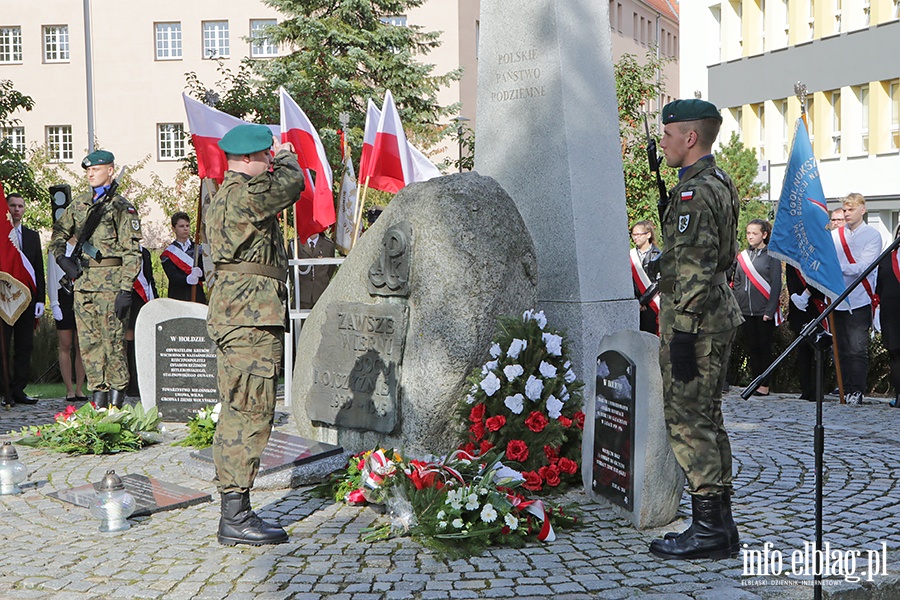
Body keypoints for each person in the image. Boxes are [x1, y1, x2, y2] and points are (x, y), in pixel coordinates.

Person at [649, 99, 743, 561]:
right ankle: (720, 526)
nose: (662, 142)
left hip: (697, 323)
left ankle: (708, 530)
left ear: (690, 137)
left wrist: (682, 333)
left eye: (668, 134)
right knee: (707, 417)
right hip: (714, 316)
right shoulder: (716, 181)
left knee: (688, 422)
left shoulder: (696, 193)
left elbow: (695, 265)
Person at [205, 124, 304, 546]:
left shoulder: (226, 194)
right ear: (248, 160)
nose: (269, 163)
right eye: (264, 157)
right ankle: (236, 516)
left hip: (240, 313)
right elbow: (293, 182)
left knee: (237, 409)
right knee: (250, 412)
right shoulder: (244, 194)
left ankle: (235, 509)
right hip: (248, 317)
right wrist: (286, 155)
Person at [49, 150, 142, 409]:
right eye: (88, 170)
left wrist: (126, 290)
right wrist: (61, 259)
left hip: (111, 286)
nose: (90, 173)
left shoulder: (122, 207)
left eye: (96, 169)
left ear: (110, 171)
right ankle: (98, 399)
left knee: (113, 343)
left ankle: (117, 399)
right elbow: (58, 233)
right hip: (83, 284)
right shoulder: (79, 203)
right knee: (89, 345)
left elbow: (132, 253)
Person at [830, 193, 882, 405]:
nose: (847, 213)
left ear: (863, 210)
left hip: (859, 297)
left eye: (851, 209)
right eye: (845, 209)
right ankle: (844, 388)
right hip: (837, 298)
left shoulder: (872, 235)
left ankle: (857, 390)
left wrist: (837, 268)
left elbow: (863, 267)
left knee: (857, 348)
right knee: (840, 348)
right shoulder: (836, 236)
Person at [2, 193, 46, 406]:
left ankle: (18, 389)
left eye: (20, 206)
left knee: (24, 345)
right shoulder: (2, 236)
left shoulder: (32, 236)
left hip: (26, 298)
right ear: (6, 207)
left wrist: (40, 300)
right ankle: (4, 389)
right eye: (13, 205)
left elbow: (38, 269)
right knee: (3, 345)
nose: (17, 209)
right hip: (4, 299)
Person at [731, 219, 781, 396]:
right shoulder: (743, 256)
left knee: (763, 347)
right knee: (752, 347)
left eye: (754, 233)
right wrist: (739, 302)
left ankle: (765, 385)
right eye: (748, 233)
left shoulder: (772, 255)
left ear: (764, 235)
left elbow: (776, 285)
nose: (750, 237)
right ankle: (754, 382)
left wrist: (770, 310)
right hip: (746, 310)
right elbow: (737, 281)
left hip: (763, 311)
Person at [46, 238, 88, 403]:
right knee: (65, 344)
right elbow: (51, 276)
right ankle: (69, 389)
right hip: (63, 296)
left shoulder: (86, 245)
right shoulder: (57, 247)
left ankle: (79, 388)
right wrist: (54, 303)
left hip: (82, 296)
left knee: (81, 345)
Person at [786, 265, 826, 401]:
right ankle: (806, 388)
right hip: (798, 307)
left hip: (815, 303)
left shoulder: (816, 250)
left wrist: (807, 294)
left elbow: (819, 273)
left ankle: (817, 390)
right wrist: (793, 295)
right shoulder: (793, 254)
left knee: (817, 349)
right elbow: (790, 277)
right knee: (802, 350)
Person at [126, 246, 158, 397]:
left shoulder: (144, 252)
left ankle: (142, 381)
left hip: (142, 298)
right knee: (129, 338)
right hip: (127, 298)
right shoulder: (122, 249)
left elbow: (149, 278)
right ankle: (130, 382)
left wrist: (155, 299)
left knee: (143, 338)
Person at [875, 224, 900, 408]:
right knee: (895, 353)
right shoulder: (886, 257)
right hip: (891, 314)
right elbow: (879, 286)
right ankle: (899, 395)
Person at [162, 211, 207, 304]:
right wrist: (187, 279)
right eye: (181, 226)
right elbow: (173, 277)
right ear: (174, 229)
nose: (185, 229)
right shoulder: (168, 253)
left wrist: (202, 273)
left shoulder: (198, 249)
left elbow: (206, 273)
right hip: (178, 297)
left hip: (197, 296)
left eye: (187, 226)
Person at [629, 220, 661, 335]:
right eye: (633, 234)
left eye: (639, 234)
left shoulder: (657, 255)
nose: (635, 238)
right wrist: (636, 300)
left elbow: (657, 282)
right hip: (636, 304)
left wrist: (642, 301)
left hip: (651, 303)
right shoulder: (631, 255)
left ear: (648, 235)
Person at [294, 232, 336, 309]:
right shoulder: (296, 244)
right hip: (302, 295)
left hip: (321, 294)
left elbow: (330, 269)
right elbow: (292, 272)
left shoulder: (328, 245)